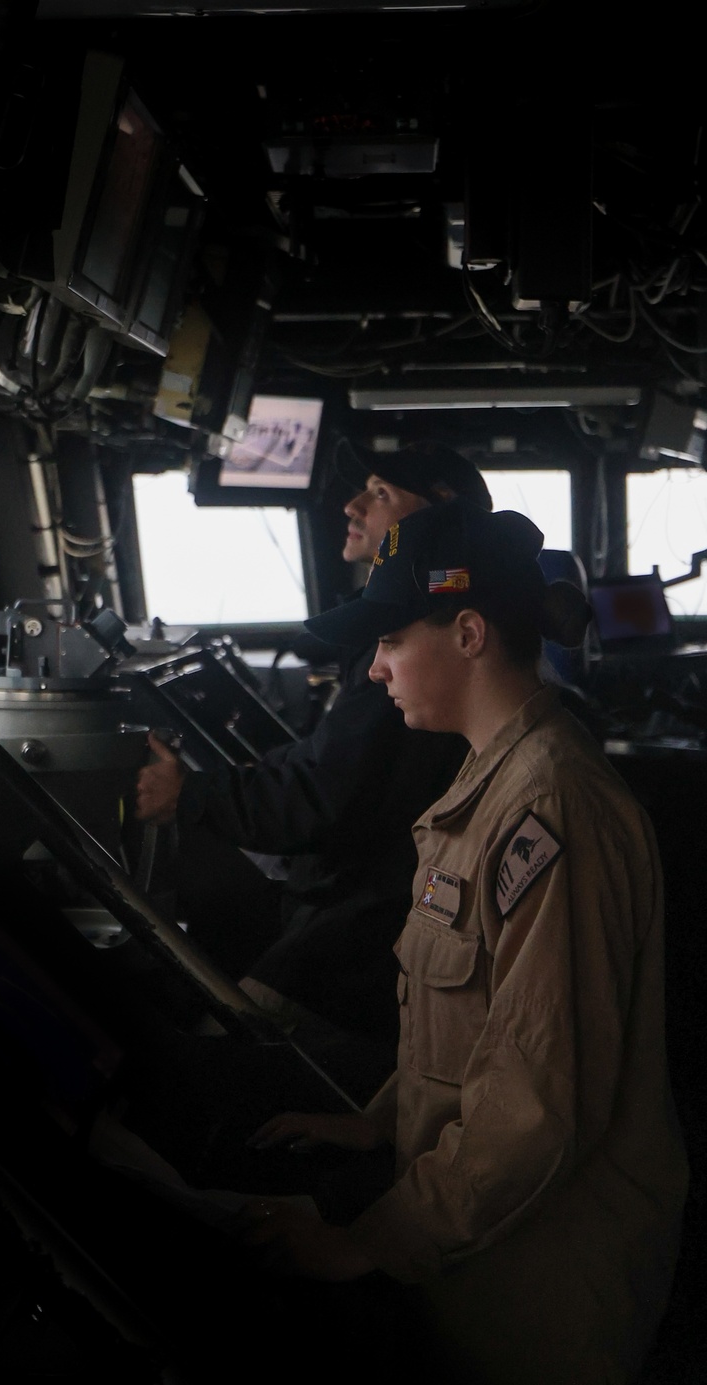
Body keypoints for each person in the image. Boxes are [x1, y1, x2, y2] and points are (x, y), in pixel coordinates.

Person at [240, 499, 689, 1385]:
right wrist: (381, 1119)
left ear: (471, 634)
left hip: (545, 1260)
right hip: (483, 1223)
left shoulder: (549, 809)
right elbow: (485, 1017)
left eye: (391, 640)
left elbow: (534, 1100)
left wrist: (372, 1239)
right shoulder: (491, 783)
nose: (375, 668)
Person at [135, 443, 491, 1075]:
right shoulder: (428, 648)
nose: (352, 506)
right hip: (381, 915)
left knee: (213, 1064)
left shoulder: (432, 659)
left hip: (368, 932)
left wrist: (192, 795)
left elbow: (326, 798)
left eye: (381, 493)